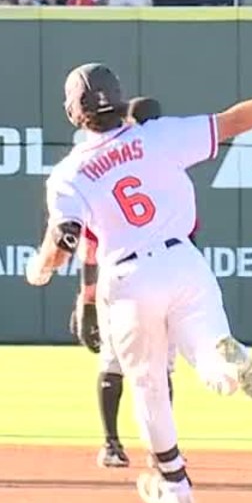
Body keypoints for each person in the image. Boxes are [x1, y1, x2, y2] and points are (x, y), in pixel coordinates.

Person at [25, 56, 252, 503]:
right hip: (183, 260)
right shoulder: (158, 135)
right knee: (209, 348)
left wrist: (42, 268)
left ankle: (176, 485)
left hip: (129, 278)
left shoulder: (69, 174)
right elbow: (235, 121)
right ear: (119, 101)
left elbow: (65, 240)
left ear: (74, 113)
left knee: (149, 384)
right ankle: (228, 365)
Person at [70, 96, 184, 469]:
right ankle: (153, 450)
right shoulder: (166, 167)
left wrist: (86, 299)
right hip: (163, 271)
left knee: (124, 363)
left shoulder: (100, 164)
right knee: (152, 367)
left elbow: (88, 242)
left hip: (121, 276)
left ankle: (120, 445)